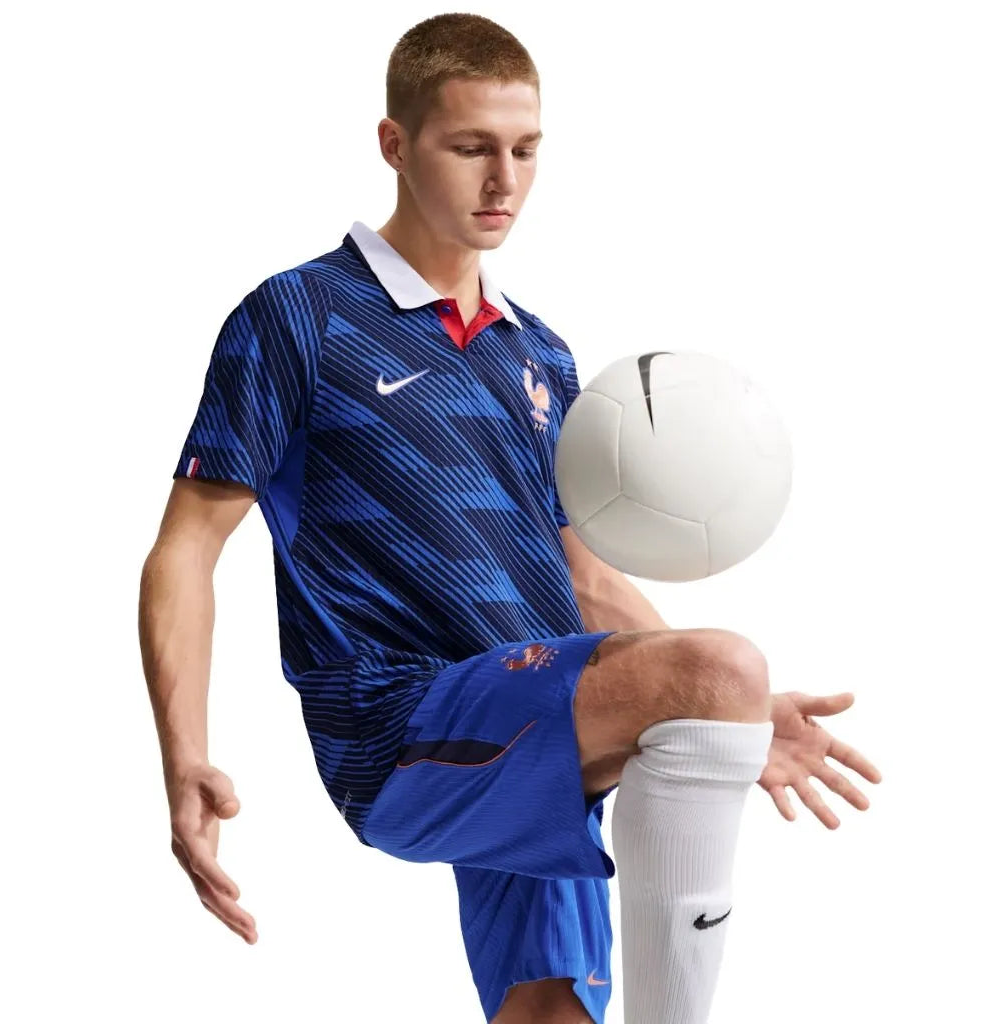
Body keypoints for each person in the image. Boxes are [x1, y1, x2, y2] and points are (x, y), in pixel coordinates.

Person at [138, 13, 882, 1024]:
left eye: (526, 150)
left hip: (537, 715)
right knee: (724, 664)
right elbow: (186, 548)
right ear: (395, 144)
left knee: (550, 1013)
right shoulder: (300, 317)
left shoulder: (539, 354)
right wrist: (184, 755)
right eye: (472, 147)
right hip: (403, 720)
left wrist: (720, 708)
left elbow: (582, 575)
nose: (505, 181)